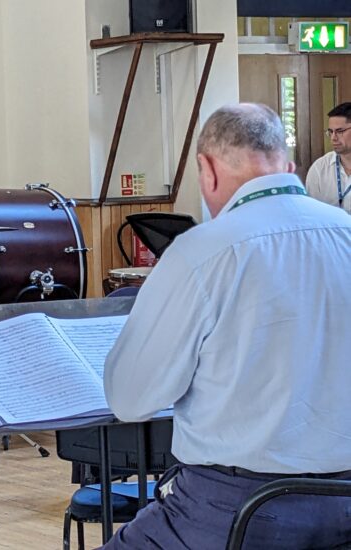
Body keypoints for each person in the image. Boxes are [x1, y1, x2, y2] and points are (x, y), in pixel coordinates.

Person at [103, 103, 351, 549]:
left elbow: (131, 399)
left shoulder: (200, 253)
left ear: (208, 170)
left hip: (238, 506)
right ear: (288, 167)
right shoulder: (346, 232)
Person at [306, 102, 351, 214]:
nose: (333, 138)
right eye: (330, 132)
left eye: (340, 131)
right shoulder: (319, 168)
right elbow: (311, 212)